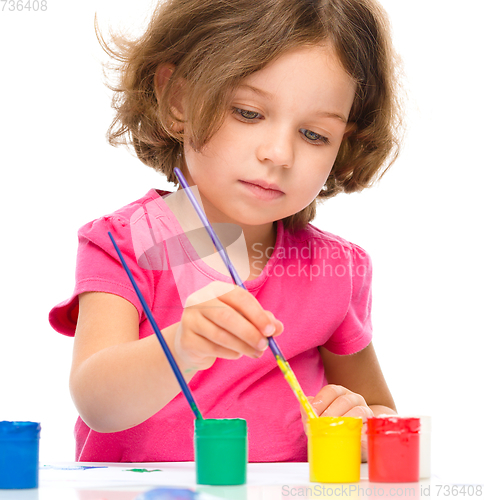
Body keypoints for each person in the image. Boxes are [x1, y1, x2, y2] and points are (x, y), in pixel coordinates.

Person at [50, 0, 403, 463]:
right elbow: (97, 402)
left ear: (345, 145)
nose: (278, 153)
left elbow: (382, 417)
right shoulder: (126, 244)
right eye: (248, 113)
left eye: (314, 134)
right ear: (177, 99)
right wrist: (181, 345)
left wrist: (362, 425)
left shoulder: (336, 271)